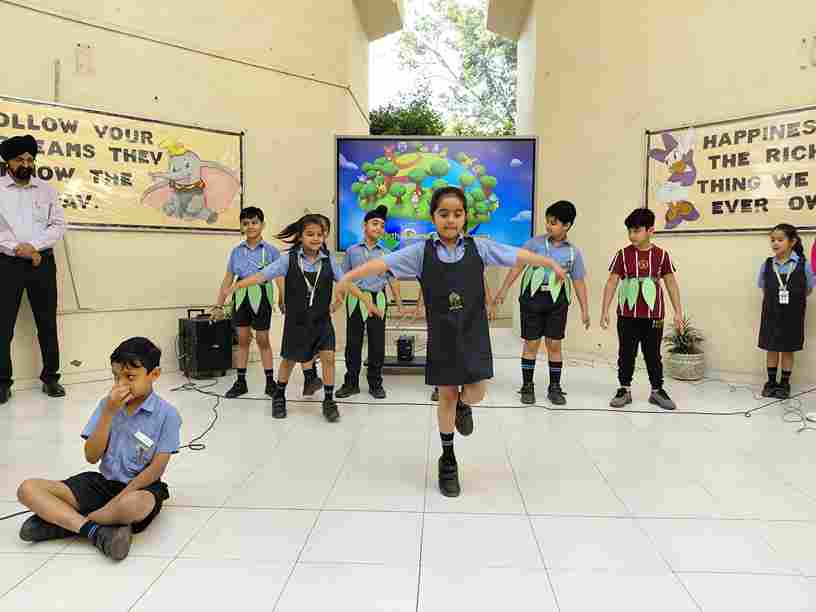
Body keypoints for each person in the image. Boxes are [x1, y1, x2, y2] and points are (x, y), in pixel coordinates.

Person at [338, 187, 565, 497]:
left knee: (477, 392)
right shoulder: (420, 252)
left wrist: (549, 263)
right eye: (443, 213)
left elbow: (516, 254)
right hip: (442, 336)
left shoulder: (479, 247)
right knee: (445, 394)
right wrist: (348, 277)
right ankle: (448, 459)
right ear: (433, 217)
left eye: (457, 214)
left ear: (465, 217)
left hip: (473, 333)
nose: (450, 219)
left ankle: (463, 405)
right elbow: (382, 264)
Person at [15, 337, 181, 561]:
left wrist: (118, 500)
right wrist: (109, 413)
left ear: (154, 374)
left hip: (139, 488)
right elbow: (91, 456)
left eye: (130, 377)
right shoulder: (107, 405)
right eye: (116, 377)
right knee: (27, 489)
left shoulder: (168, 415)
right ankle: (97, 530)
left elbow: (156, 469)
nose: (120, 384)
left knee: (134, 506)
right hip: (103, 483)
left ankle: (64, 523)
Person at [232, 214, 382, 422]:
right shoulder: (289, 259)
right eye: (310, 234)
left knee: (328, 358)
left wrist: (367, 302)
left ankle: (328, 400)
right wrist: (239, 285)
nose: (316, 238)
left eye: (319, 234)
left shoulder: (329, 260)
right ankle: (279, 396)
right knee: (289, 361)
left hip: (322, 321)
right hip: (297, 322)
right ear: (301, 236)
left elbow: (347, 282)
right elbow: (263, 275)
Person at [493, 200, 590, 405]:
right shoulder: (534, 244)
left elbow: (579, 282)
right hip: (532, 298)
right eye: (547, 221)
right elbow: (517, 267)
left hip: (557, 301)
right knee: (532, 343)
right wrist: (503, 290)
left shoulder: (573, 253)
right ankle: (527, 385)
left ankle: (554, 387)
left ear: (567, 225)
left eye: (554, 223)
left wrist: (585, 310)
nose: (548, 226)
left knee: (554, 344)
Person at [0, 134, 67, 404]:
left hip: (42, 263)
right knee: (3, 325)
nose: (26, 164)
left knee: (47, 323)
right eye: (19, 160)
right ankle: (2, 382)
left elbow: (58, 225)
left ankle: (51, 378)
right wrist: (19, 249)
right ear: (8, 162)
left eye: (30, 159)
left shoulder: (46, 190)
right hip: (7, 263)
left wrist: (34, 248)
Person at [600, 208, 684, 410]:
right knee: (626, 353)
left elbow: (671, 284)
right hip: (627, 314)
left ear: (650, 230)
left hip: (654, 315)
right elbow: (611, 282)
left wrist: (678, 312)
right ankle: (624, 389)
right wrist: (605, 310)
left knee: (653, 354)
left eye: (637, 231)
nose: (632, 235)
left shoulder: (661, 255)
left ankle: (657, 390)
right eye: (629, 231)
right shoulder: (622, 255)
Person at [212, 206, 281, 398]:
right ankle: (241, 382)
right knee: (243, 339)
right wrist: (219, 304)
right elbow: (228, 279)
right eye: (246, 223)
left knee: (263, 339)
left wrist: (282, 297)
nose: (250, 226)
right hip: (241, 298)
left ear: (262, 225)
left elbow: (280, 277)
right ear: (241, 226)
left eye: (254, 222)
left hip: (262, 296)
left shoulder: (271, 251)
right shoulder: (236, 252)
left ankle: (270, 382)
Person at [336, 205, 404, 399]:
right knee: (353, 343)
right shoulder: (352, 251)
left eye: (382, 225)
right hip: (356, 299)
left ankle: (375, 383)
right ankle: (351, 383)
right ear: (364, 226)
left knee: (377, 343)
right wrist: (338, 297)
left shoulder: (387, 253)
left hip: (378, 300)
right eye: (375, 223)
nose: (378, 228)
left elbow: (392, 279)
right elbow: (344, 277)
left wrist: (399, 303)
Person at [414, 272, 496, 403]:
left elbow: (479, 276)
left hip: (466, 309)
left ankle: (463, 394)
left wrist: (489, 302)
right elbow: (426, 281)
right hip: (441, 311)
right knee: (444, 347)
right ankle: (441, 386)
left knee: (465, 347)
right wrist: (421, 304)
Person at [757, 223, 814, 399]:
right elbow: (763, 287)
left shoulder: (803, 265)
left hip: (792, 315)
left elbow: (808, 289)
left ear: (792, 241)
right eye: (773, 240)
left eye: (780, 240)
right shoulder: (767, 264)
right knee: (771, 348)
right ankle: (771, 382)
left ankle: (784, 383)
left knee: (788, 349)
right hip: (771, 313)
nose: (775, 243)